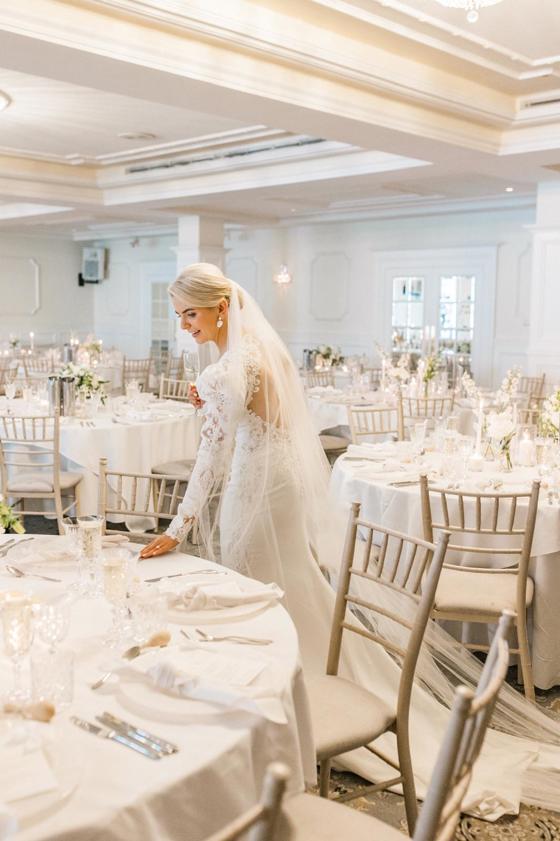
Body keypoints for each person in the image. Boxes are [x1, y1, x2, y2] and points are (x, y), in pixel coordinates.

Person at [140, 262, 560, 820]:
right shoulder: (262, 353)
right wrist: (220, 407)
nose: (184, 326)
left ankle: (286, 705)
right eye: (178, 316)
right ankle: (304, 690)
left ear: (221, 307)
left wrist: (177, 527)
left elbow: (210, 460)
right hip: (281, 483)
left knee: (262, 590)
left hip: (256, 489)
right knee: (289, 583)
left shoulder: (225, 371)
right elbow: (272, 417)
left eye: (190, 313)